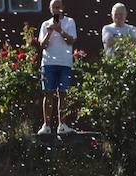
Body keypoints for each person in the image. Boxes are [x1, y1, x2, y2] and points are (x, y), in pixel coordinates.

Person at [38, 0, 79, 136]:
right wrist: (49, 32)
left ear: (62, 8)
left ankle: (62, 125)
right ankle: (47, 125)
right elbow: (42, 45)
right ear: (50, 9)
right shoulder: (45, 24)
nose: (56, 10)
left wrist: (60, 30)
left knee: (63, 94)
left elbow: (71, 40)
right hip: (48, 63)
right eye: (54, 7)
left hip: (65, 63)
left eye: (58, 7)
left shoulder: (69, 22)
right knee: (48, 93)